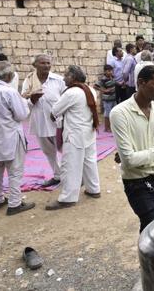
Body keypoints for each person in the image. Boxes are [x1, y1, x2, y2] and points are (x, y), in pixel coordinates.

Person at [110, 65, 154, 232]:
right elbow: (129, 160)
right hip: (136, 182)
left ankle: (147, 257)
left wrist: (149, 155)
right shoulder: (120, 113)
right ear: (141, 82)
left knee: (153, 225)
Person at [0, 61, 34, 215]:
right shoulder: (9, 92)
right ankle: (15, 203)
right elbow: (21, 115)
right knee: (15, 171)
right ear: (9, 76)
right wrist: (26, 102)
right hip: (9, 136)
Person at [46, 65, 101, 210]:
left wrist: (53, 115)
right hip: (88, 132)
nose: (64, 78)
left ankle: (68, 198)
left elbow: (55, 111)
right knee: (89, 161)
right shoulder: (90, 90)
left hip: (74, 134)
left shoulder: (72, 93)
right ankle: (93, 189)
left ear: (73, 77)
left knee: (71, 165)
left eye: (66, 75)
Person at [21, 54, 66, 186]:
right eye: (42, 63)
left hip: (58, 121)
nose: (46, 65)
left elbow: (67, 97)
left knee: (65, 149)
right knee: (49, 151)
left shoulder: (58, 80)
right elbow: (23, 101)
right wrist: (32, 99)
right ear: (35, 65)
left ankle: (71, 176)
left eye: (48, 63)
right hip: (39, 121)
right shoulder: (29, 81)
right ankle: (58, 175)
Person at [94, 65, 117, 132]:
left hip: (113, 98)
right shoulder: (103, 79)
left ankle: (111, 127)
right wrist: (104, 90)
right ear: (105, 71)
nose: (110, 72)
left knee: (113, 113)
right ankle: (106, 128)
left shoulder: (112, 77)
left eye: (111, 71)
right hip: (107, 100)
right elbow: (95, 86)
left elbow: (114, 84)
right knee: (107, 114)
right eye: (108, 71)